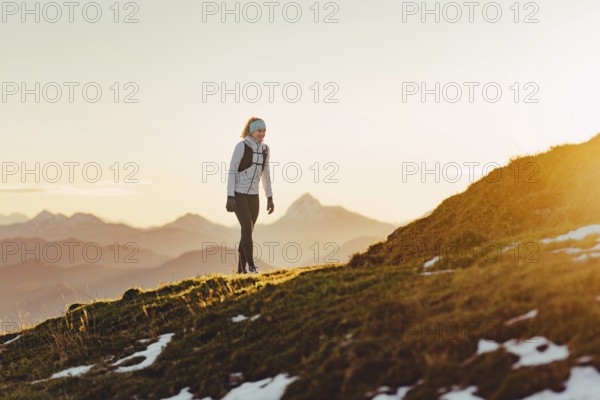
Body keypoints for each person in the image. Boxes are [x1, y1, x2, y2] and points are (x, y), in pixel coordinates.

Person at [226, 117, 275, 274]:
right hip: (239, 194)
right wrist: (230, 196)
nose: (262, 134)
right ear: (251, 131)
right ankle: (251, 266)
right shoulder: (241, 146)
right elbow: (232, 171)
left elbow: (265, 174)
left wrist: (270, 197)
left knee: (247, 230)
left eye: (264, 131)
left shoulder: (265, 149)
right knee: (247, 226)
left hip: (254, 196)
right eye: (259, 131)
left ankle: (241, 271)